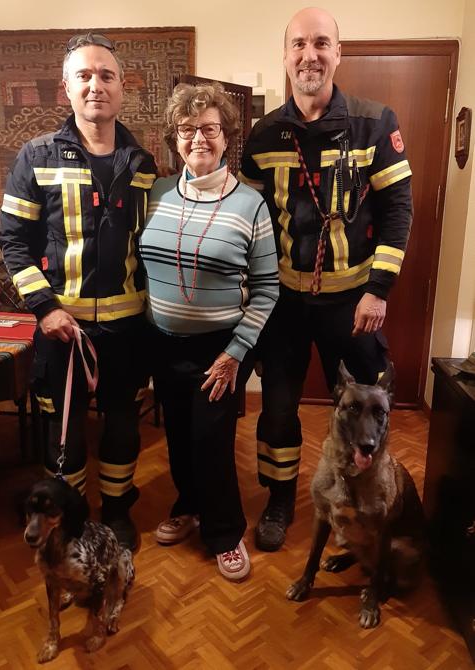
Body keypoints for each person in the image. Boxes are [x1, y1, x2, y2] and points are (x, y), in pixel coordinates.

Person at [239, 7, 413, 552]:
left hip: (354, 306)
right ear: (286, 56)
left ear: (338, 53)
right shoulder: (263, 134)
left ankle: (364, 500)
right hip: (286, 303)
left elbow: (398, 209)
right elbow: (248, 215)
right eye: (298, 44)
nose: (309, 54)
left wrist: (378, 290)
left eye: (321, 43)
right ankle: (280, 500)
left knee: (370, 411)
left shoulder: (375, 121)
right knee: (278, 409)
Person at [0, 32, 157, 550]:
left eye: (106, 76)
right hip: (61, 329)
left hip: (128, 328)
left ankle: (115, 513)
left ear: (121, 88)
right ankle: (70, 518)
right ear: (66, 88)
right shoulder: (35, 156)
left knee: (121, 425)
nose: (96, 85)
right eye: (84, 76)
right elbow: (12, 241)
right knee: (62, 433)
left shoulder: (144, 163)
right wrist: (44, 309)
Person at [140, 82, 279, 580]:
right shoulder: (156, 194)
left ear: (226, 138)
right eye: (187, 129)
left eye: (209, 129)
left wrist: (237, 352)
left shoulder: (251, 205)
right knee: (177, 434)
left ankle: (224, 530)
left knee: (212, 438)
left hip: (219, 349)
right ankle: (189, 503)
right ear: (175, 138)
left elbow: (267, 289)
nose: (198, 138)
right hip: (162, 341)